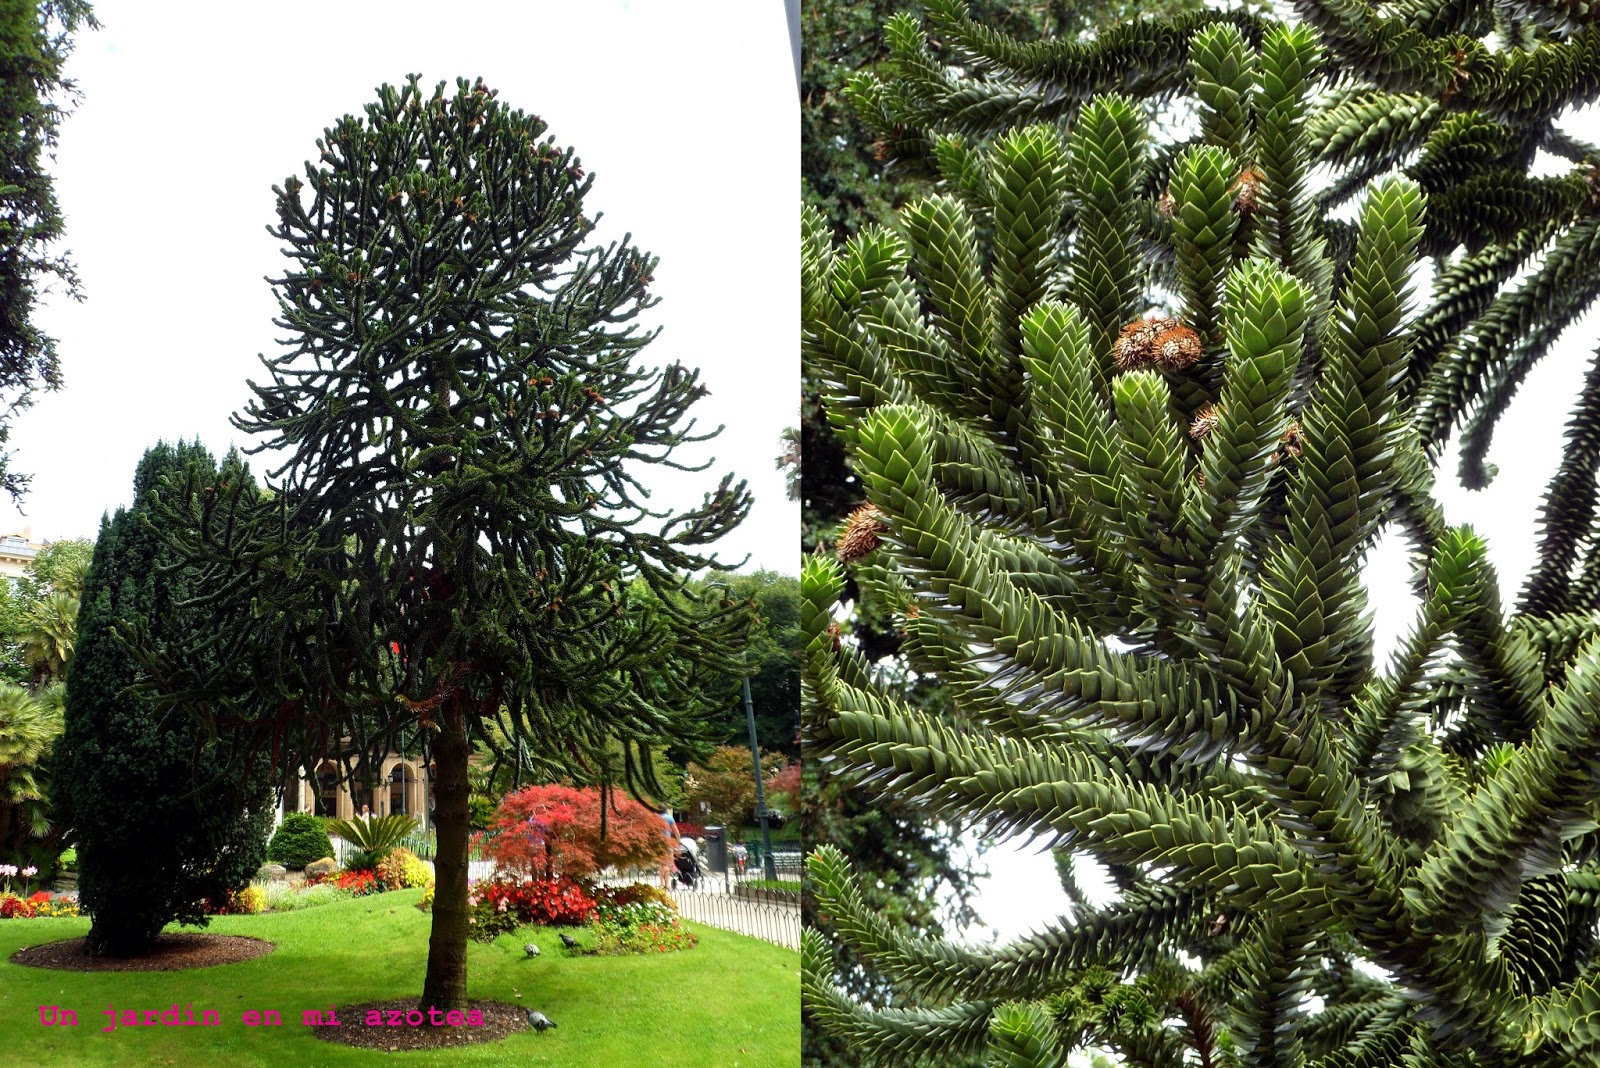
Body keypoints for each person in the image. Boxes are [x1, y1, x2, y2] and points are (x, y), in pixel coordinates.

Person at [659, 807, 680, 889]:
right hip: (667, 843)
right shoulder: (669, 818)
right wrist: (678, 842)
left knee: (661, 864)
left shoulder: (655, 817)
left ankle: (661, 884)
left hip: (657, 844)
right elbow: (676, 832)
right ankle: (667, 885)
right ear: (666, 810)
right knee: (666, 864)